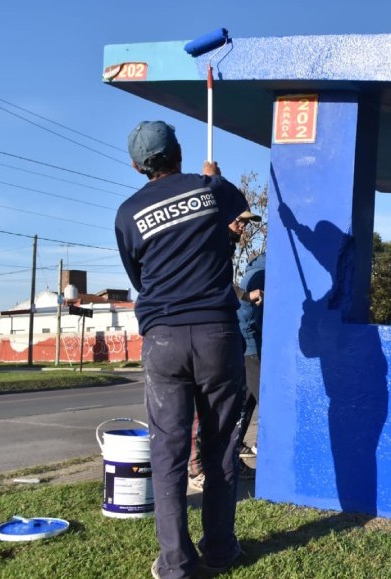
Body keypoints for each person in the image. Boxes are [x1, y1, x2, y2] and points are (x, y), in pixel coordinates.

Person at [114, 120, 248, 579]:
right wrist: (213, 177)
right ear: (178, 152)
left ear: (136, 165)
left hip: (163, 337)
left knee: (168, 451)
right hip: (216, 333)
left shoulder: (127, 213)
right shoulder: (208, 189)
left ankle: (175, 563)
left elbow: (139, 277)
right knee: (221, 445)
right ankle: (221, 549)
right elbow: (239, 203)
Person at [188, 211, 262, 489]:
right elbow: (206, 282)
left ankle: (227, 460)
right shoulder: (209, 241)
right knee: (203, 405)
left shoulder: (226, 247)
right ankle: (197, 470)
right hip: (201, 331)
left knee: (227, 407)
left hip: (222, 335)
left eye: (246, 223)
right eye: (238, 220)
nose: (242, 226)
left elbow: (221, 283)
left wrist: (244, 295)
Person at [235, 251, 266, 459]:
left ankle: (234, 450)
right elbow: (250, 314)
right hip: (250, 345)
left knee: (246, 403)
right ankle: (262, 446)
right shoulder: (262, 275)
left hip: (245, 343)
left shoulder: (254, 271)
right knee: (267, 398)